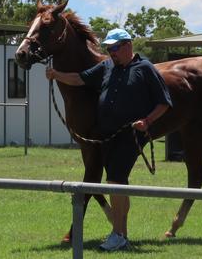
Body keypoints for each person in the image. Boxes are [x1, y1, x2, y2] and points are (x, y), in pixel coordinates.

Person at [45, 28, 172, 251]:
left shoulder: (145, 69)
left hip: (130, 135)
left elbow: (164, 102)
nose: (110, 52)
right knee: (118, 183)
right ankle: (122, 233)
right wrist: (56, 75)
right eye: (108, 48)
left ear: (128, 45)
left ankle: (118, 234)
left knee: (115, 180)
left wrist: (147, 121)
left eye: (114, 48)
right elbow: (79, 79)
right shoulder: (107, 66)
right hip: (106, 136)